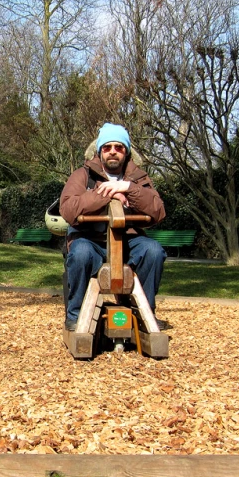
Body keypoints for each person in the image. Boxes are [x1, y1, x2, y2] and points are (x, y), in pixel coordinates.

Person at [59, 123, 167, 331]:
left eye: (119, 147)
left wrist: (127, 188)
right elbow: (68, 209)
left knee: (153, 251)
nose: (113, 152)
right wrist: (107, 193)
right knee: (80, 253)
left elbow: (158, 210)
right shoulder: (83, 175)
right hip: (90, 239)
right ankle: (76, 313)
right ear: (99, 151)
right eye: (107, 148)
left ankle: (144, 313)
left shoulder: (138, 177)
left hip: (128, 240)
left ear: (126, 152)